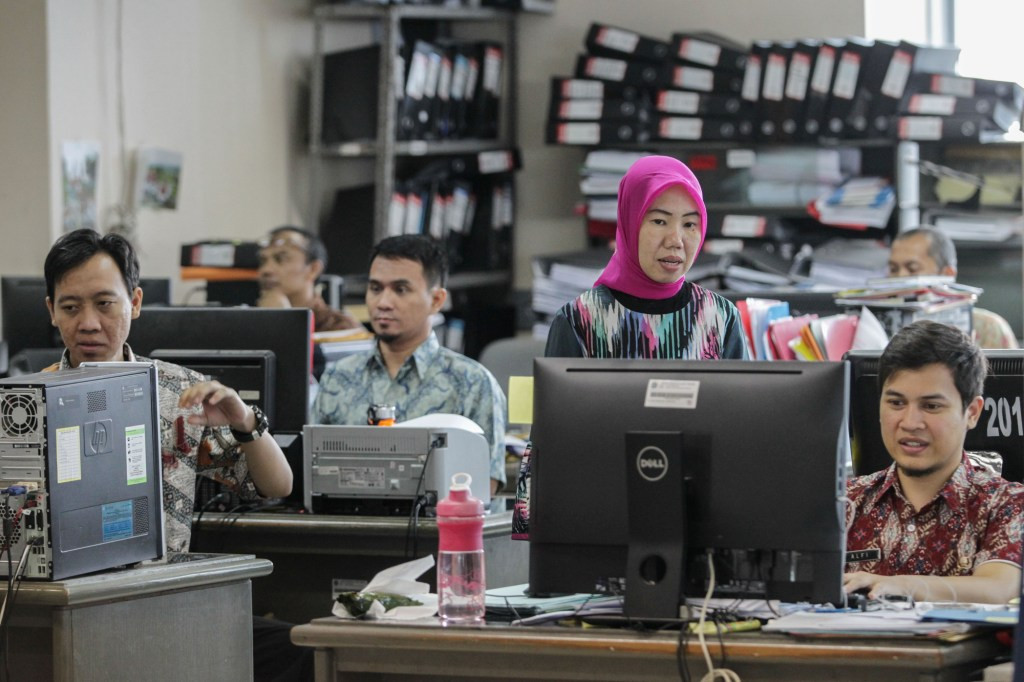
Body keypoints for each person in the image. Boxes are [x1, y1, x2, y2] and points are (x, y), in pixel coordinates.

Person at [43, 228, 309, 682]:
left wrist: (243, 419)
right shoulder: (28, 404)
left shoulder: (179, 392)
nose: (88, 323)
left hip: (167, 602)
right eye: (70, 307)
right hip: (68, 609)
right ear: (51, 310)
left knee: (298, 649)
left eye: (105, 304)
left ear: (135, 302)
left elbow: (276, 485)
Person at [843, 320, 1024, 604]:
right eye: (896, 403)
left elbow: (998, 589)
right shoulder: (844, 503)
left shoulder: (1006, 504)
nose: (910, 422)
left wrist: (899, 585)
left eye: (931, 406)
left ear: (972, 413)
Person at [311, 235, 507, 495]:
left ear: (436, 300)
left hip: (438, 521)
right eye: (376, 288)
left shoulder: (472, 382)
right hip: (348, 517)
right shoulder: (338, 376)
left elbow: (485, 487)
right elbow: (312, 473)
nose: (383, 303)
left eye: (401, 289)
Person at [544, 155, 747, 359]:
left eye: (689, 224)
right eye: (659, 221)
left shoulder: (721, 318)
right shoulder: (578, 322)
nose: (676, 241)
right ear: (630, 223)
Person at [887, 226, 1018, 349]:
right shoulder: (879, 325)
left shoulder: (988, 328)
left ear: (947, 274)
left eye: (912, 268)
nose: (900, 276)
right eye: (893, 269)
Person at [257, 225, 362, 332]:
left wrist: (282, 321)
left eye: (280, 259)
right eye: (263, 261)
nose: (266, 270)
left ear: (313, 269)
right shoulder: (251, 321)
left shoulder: (340, 328)